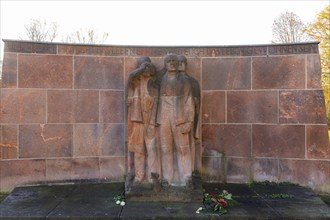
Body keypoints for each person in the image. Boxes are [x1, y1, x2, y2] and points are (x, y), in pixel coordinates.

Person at [156, 54, 195, 186]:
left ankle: (186, 177)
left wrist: (189, 121)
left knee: (183, 148)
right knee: (166, 149)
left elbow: (189, 101)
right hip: (163, 118)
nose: (171, 63)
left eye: (174, 61)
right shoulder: (161, 80)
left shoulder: (184, 80)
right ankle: (167, 178)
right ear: (165, 64)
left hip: (180, 119)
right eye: (168, 61)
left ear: (177, 63)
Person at [127, 56, 159, 183]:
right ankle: (139, 176)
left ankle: (152, 176)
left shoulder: (155, 83)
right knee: (138, 149)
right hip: (137, 120)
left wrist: (152, 121)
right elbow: (131, 77)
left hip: (151, 120)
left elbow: (157, 103)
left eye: (148, 66)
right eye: (143, 66)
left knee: (152, 149)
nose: (146, 69)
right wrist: (141, 68)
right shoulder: (135, 81)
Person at [177, 55, 201, 172]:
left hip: (188, 116)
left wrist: (194, 103)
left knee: (188, 145)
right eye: (179, 62)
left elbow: (197, 100)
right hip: (174, 118)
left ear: (186, 65)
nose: (181, 64)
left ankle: (189, 171)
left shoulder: (192, 81)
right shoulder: (171, 80)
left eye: (183, 62)